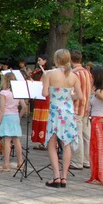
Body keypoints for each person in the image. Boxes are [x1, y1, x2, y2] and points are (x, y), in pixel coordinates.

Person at [42, 48, 82, 189]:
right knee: (66, 145)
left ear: (57, 59)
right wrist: (68, 96)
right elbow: (80, 96)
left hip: (55, 112)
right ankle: (64, 177)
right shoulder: (73, 76)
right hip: (69, 112)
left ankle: (56, 176)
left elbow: (44, 93)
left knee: (52, 144)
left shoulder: (50, 74)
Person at [0, 72, 27, 173]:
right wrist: (19, 117)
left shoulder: (3, 93)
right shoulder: (18, 92)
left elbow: (2, 108)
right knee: (16, 140)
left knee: (7, 141)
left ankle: (6, 164)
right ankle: (20, 162)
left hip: (6, 117)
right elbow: (24, 107)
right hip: (15, 116)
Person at [71, 50, 93, 170]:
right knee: (86, 136)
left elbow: (72, 92)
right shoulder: (87, 72)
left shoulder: (74, 73)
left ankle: (77, 162)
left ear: (71, 59)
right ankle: (86, 160)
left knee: (77, 134)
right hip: (86, 107)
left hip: (76, 107)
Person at [30, 55, 50, 150]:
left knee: (43, 119)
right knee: (38, 118)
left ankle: (44, 141)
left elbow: (44, 83)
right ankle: (40, 141)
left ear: (45, 61)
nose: (38, 62)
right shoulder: (38, 71)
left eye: (40, 60)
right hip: (38, 97)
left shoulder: (48, 72)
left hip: (44, 97)